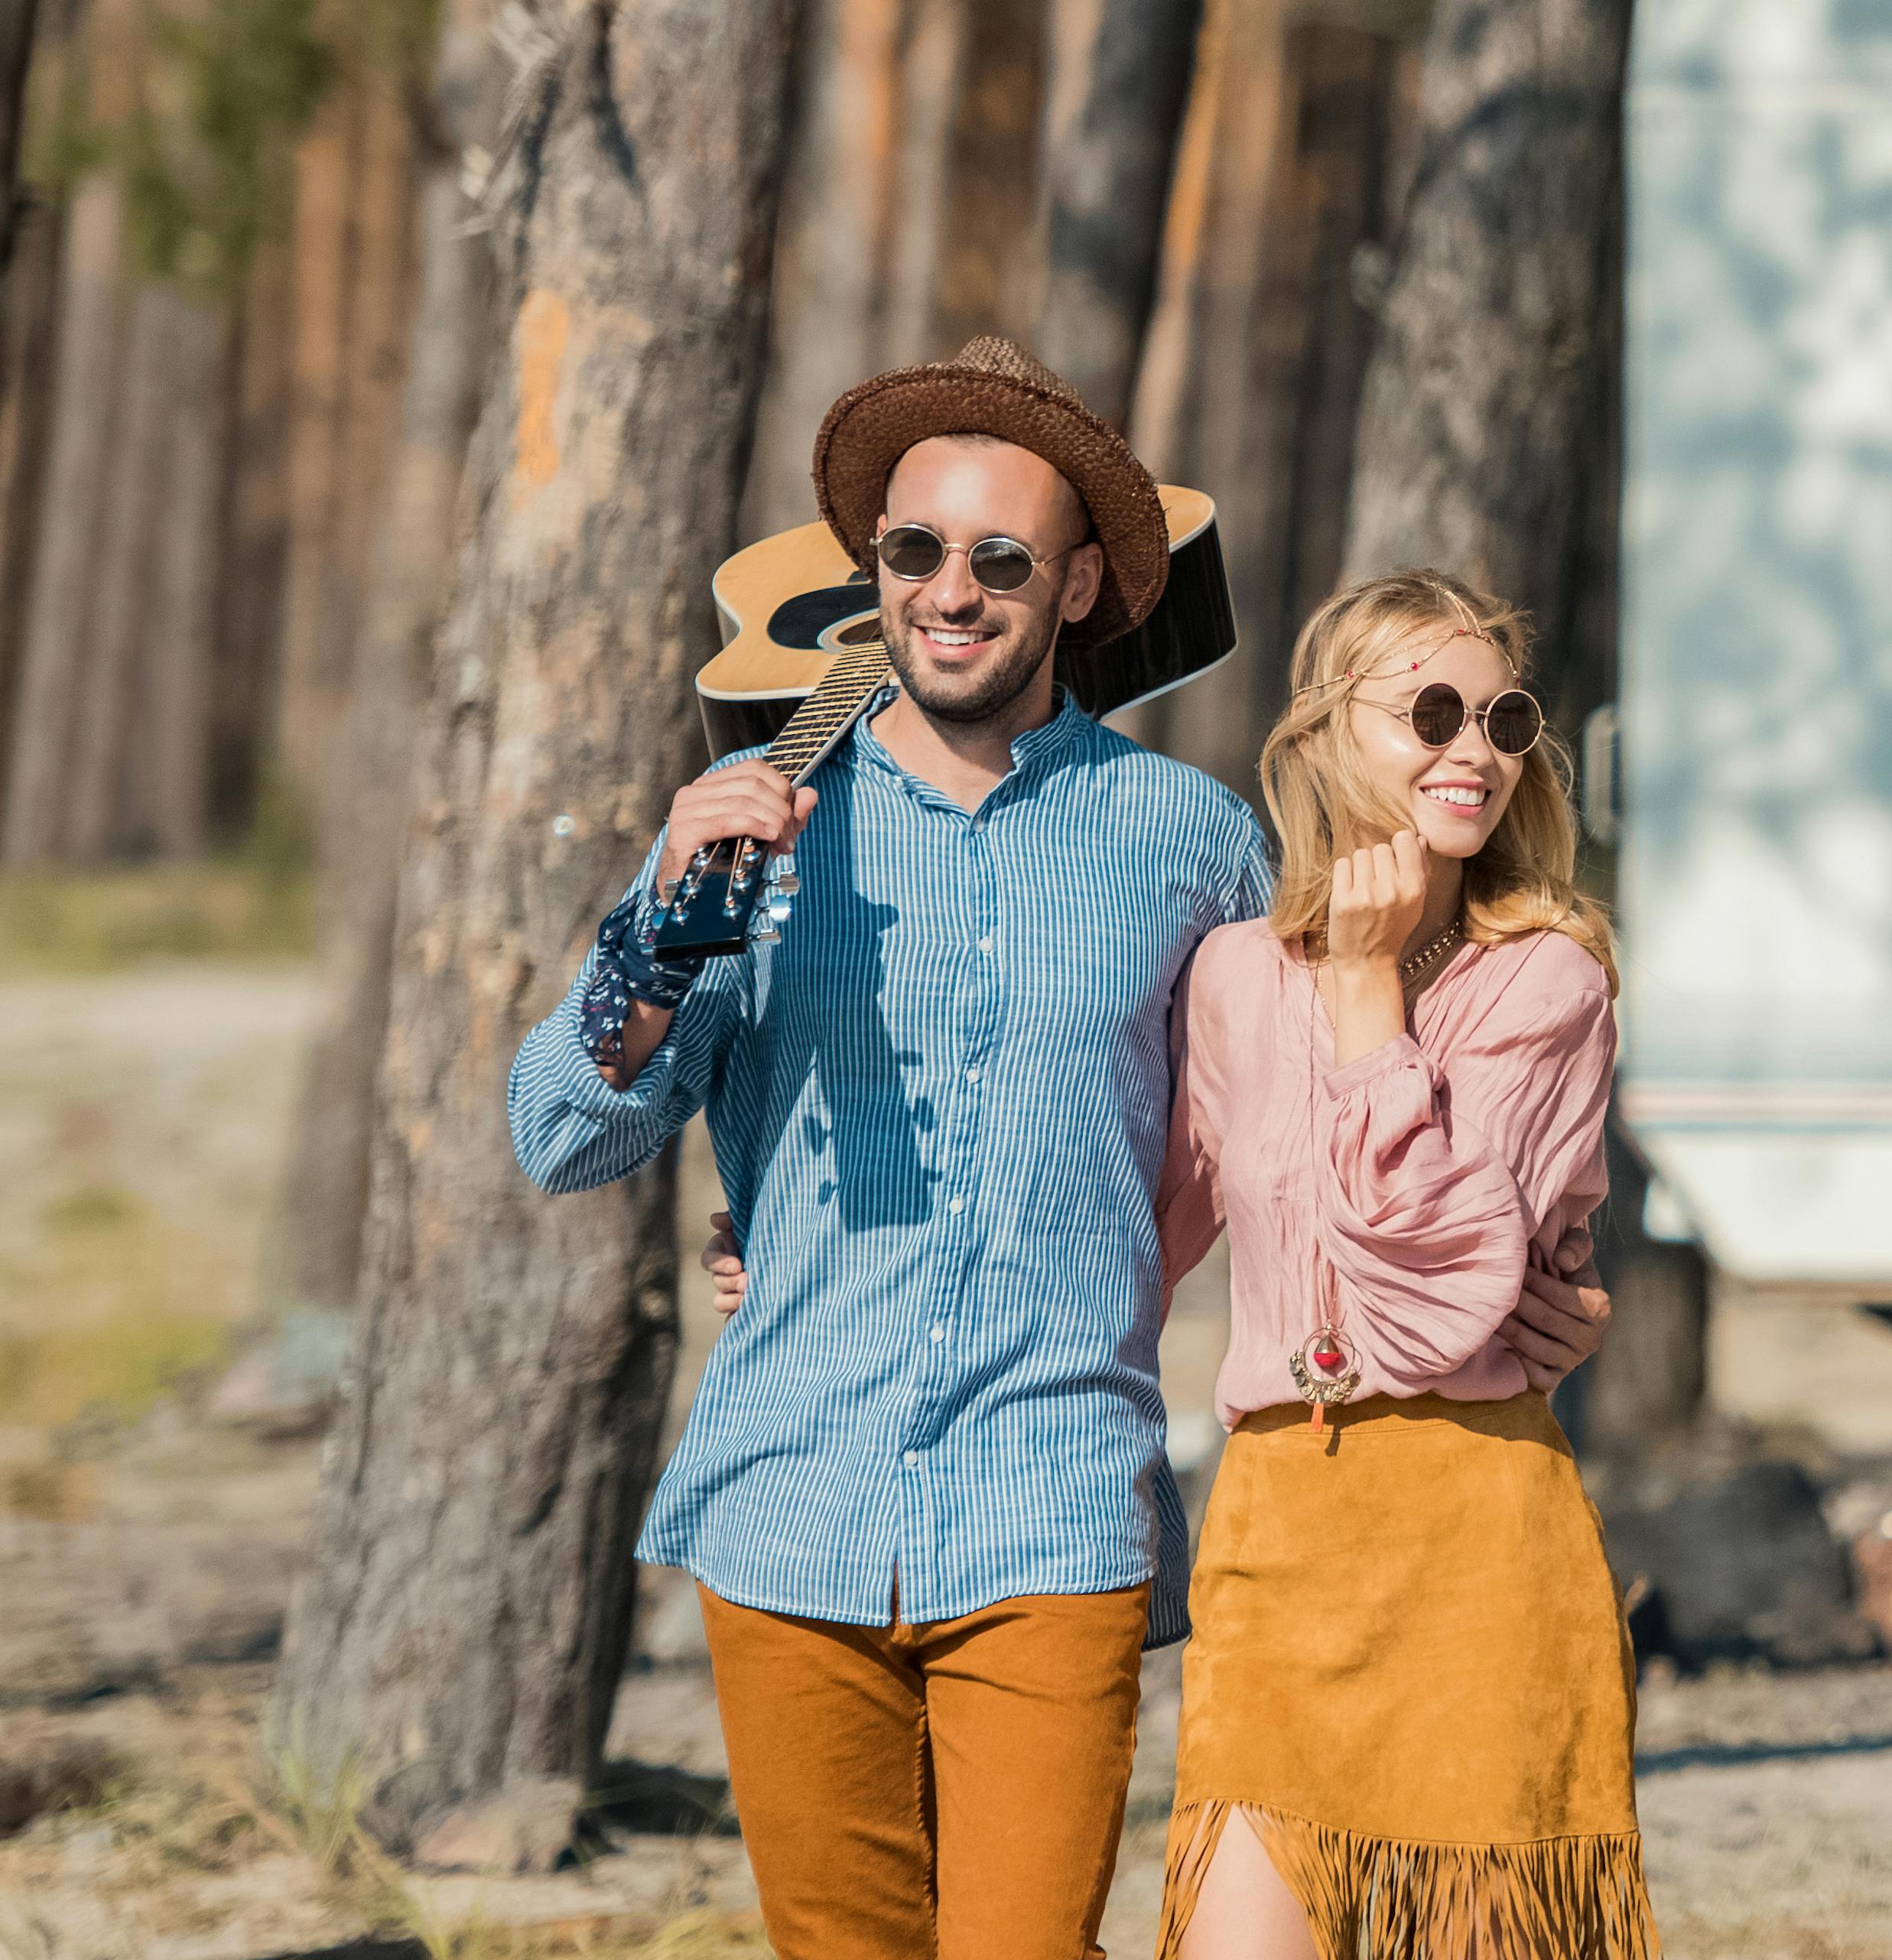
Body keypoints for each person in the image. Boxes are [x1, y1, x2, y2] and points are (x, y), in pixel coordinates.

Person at [509, 336, 1614, 1960]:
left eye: (1002, 558)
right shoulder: (749, 819)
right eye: (914, 550)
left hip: (1055, 1504)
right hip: (786, 1500)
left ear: (1079, 584)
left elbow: (1305, 1104)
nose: (951, 590)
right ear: (873, 571)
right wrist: (656, 939)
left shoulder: (1194, 844)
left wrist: (1535, 1276)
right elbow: (560, 1132)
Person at [717, 568, 1660, 1959]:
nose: (1476, 749)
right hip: (1277, 1530)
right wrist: (826, 1263)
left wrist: (1368, 996)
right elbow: (1119, 1232)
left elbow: (1435, 1306)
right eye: (1432, 713)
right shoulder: (1234, 976)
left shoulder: (1548, 982)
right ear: (1328, 733)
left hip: (1477, 1534)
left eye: (1504, 719)